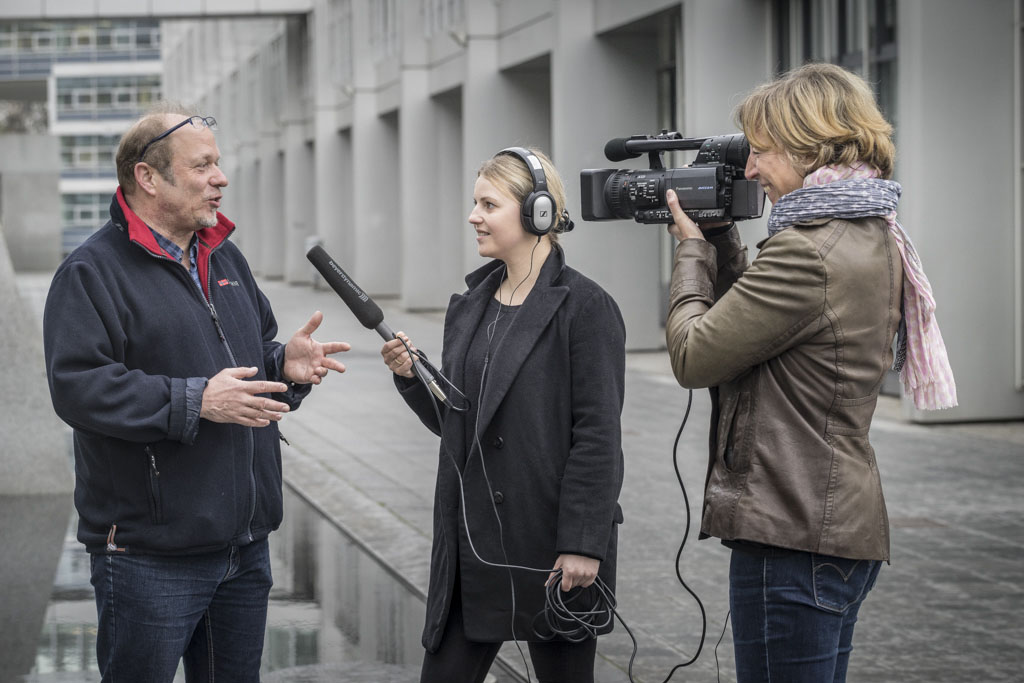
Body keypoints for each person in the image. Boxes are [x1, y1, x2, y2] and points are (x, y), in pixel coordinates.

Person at [664, 63, 956, 682]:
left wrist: (689, 249)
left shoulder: (808, 248)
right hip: (831, 526)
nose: (748, 169)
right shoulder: (869, 230)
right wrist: (723, 242)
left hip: (792, 537)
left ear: (810, 145)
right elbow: (768, 324)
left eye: (761, 152)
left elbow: (694, 354)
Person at [42, 103, 350, 682]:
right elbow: (78, 388)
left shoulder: (224, 256)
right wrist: (194, 402)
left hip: (244, 548)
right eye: (203, 165)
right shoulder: (90, 273)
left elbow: (247, 367)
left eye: (219, 163)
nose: (221, 178)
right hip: (148, 557)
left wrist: (285, 365)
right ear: (148, 177)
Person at [380, 147, 625, 683]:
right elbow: (459, 423)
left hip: (551, 548)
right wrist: (409, 377)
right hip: (472, 545)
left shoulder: (586, 307)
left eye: (488, 204)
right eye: (475, 203)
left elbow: (599, 435)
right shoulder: (470, 305)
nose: (474, 216)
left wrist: (583, 543)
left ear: (537, 212)